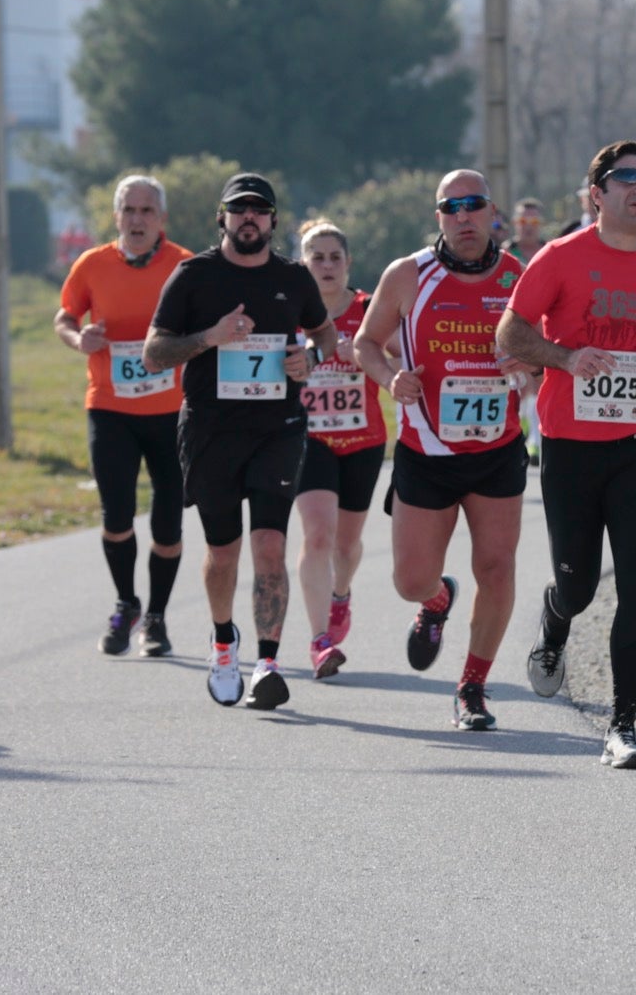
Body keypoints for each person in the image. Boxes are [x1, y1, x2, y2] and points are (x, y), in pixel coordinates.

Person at [497, 139, 636, 768]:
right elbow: (510, 331)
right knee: (580, 584)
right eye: (626, 179)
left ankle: (623, 726)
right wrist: (564, 358)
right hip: (570, 447)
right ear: (598, 194)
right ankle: (554, 621)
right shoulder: (561, 258)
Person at [143, 172, 339, 711]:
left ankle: (268, 663)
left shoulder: (294, 279)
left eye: (259, 210)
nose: (248, 218)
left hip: (277, 428)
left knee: (270, 547)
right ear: (222, 218)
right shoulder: (193, 276)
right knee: (223, 551)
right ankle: (225, 641)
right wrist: (210, 337)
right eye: (238, 209)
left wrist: (312, 360)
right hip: (210, 429)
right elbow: (153, 354)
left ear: (274, 221)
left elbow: (326, 332)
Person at [352, 170, 535, 731]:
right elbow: (365, 343)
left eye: (473, 205)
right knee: (410, 579)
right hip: (426, 450)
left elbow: (546, 358)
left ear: (491, 213)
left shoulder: (518, 277)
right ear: (439, 218)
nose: (463, 216)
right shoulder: (408, 274)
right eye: (451, 207)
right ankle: (435, 602)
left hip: (498, 446)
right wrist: (389, 379)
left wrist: (527, 370)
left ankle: (472, 687)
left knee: (498, 569)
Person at [54, 175, 192, 657]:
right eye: (129, 211)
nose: (137, 219)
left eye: (146, 211)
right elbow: (65, 318)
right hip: (110, 407)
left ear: (162, 220)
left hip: (172, 412)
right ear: (116, 218)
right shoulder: (92, 264)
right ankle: (126, 601)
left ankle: (155, 618)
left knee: (168, 526)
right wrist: (79, 340)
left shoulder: (184, 265)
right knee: (116, 517)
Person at [292, 220, 387, 681]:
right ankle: (318, 641)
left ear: (348, 263)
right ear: (303, 264)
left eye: (334, 257)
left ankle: (341, 592)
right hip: (308, 440)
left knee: (346, 546)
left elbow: (404, 359)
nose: (326, 266)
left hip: (363, 440)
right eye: (317, 257)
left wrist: (366, 357)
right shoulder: (290, 311)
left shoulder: (370, 310)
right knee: (317, 537)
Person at [503, 198, 547, 465]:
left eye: (533, 222)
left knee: (539, 383)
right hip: (514, 326)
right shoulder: (504, 254)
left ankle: (536, 442)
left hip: (544, 325)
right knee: (521, 385)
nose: (527, 228)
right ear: (514, 224)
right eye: (522, 222)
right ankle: (520, 438)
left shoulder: (549, 252)